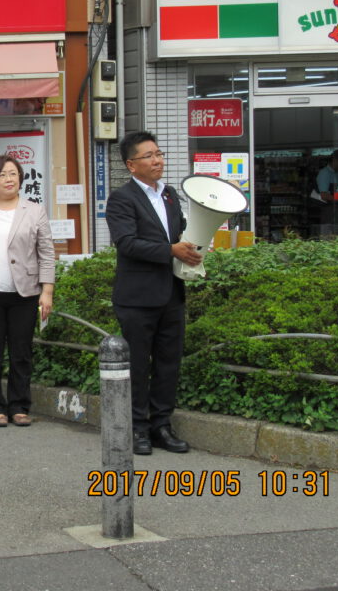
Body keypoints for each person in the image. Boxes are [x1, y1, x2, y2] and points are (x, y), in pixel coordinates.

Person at [106, 132, 201, 456]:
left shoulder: (170, 195)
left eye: (159, 154)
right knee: (137, 364)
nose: (158, 160)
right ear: (131, 164)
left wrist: (195, 243)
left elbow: (179, 234)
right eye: (149, 156)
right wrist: (171, 250)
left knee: (168, 363)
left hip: (172, 294)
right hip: (136, 297)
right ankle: (138, 428)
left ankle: (162, 425)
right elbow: (127, 243)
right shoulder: (122, 199)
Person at [0, 154, 54, 428]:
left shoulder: (34, 210)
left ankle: (19, 406)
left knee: (21, 352)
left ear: (20, 179)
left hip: (24, 293)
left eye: (13, 173)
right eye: (2, 174)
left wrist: (47, 291)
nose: (9, 179)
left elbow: (46, 252)